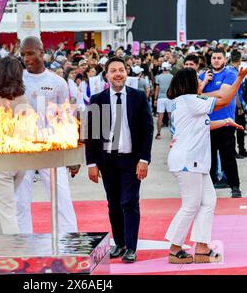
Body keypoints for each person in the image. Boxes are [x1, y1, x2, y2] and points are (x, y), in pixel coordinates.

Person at [164, 63, 247, 264]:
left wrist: (226, 122)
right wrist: (239, 78)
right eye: (197, 78)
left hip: (193, 160)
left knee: (208, 201)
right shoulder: (191, 100)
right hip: (188, 160)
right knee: (191, 205)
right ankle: (175, 248)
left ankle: (202, 247)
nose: (200, 81)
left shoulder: (184, 102)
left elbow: (201, 125)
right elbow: (225, 98)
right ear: (190, 82)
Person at [85, 57, 154, 263]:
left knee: (130, 202)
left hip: (131, 160)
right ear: (106, 75)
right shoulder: (97, 99)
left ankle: (131, 247)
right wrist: (91, 163)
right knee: (113, 204)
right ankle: (120, 243)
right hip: (107, 160)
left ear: (126, 73)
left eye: (121, 70)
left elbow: (147, 129)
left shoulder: (138, 97)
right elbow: (91, 133)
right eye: (113, 70)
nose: (117, 74)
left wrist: (144, 159)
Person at [16, 36, 78, 234]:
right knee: (20, 201)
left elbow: (66, 118)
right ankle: (22, 244)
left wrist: (72, 154)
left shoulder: (58, 82)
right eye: (23, 54)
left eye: (30, 53)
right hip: (22, 149)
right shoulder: (17, 80)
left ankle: (69, 241)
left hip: (50, 148)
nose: (26, 58)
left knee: (61, 197)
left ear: (42, 53)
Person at [0, 57, 30, 234]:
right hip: (20, 159)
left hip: (0, 159)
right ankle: (0, 245)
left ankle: (14, 254)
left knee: (5, 210)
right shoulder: (23, 99)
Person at [201, 48, 242, 198]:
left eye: (219, 58)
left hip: (226, 123)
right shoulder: (204, 74)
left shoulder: (230, 73)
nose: (216, 60)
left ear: (225, 60)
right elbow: (194, 92)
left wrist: (202, 95)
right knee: (209, 159)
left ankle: (235, 187)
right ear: (210, 60)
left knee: (228, 158)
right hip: (208, 124)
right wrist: (204, 81)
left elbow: (223, 94)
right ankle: (209, 189)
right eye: (214, 58)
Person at [154, 62, 173, 139]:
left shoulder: (158, 77)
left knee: (160, 117)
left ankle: (158, 134)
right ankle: (173, 134)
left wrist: (155, 99)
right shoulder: (172, 76)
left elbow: (157, 89)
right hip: (169, 98)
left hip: (160, 98)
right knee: (171, 116)